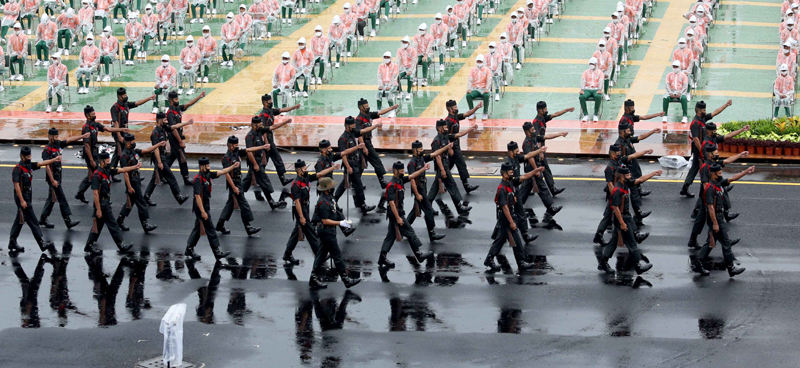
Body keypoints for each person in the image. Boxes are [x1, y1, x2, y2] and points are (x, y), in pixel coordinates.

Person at [693, 164, 755, 277]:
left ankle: (700, 263)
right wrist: (715, 223)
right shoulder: (710, 189)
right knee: (725, 242)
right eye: (719, 172)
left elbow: (733, 178)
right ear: (713, 174)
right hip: (715, 218)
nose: (721, 174)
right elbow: (710, 207)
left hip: (719, 217)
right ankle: (730, 268)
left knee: (711, 243)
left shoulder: (718, 183)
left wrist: (746, 171)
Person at [686, 143, 748, 250]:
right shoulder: (706, 168)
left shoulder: (715, 163)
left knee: (715, 220)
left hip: (714, 195)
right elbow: (705, 185)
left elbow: (727, 161)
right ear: (710, 155)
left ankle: (724, 240)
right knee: (703, 221)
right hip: (707, 198)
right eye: (716, 153)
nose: (718, 154)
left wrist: (740, 155)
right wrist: (711, 200)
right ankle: (695, 240)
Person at [484, 162, 542, 272]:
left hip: (509, 217)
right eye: (510, 172)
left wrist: (536, 170)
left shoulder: (511, 183)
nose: (512, 173)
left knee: (500, 241)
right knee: (517, 241)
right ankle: (521, 263)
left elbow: (524, 176)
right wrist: (511, 222)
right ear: (504, 174)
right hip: (506, 219)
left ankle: (489, 259)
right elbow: (504, 207)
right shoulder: (502, 189)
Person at [377, 161, 435, 270]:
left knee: (391, 236)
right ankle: (419, 255)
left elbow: (412, 176)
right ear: (396, 171)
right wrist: (398, 218)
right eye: (402, 171)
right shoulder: (392, 186)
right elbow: (392, 203)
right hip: (396, 214)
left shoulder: (400, 180)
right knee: (410, 232)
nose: (404, 173)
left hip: (398, 212)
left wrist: (424, 169)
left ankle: (382, 258)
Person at [282, 159, 340, 265]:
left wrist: (333, 168)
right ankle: (319, 253)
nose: (306, 170)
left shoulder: (306, 178)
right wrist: (301, 217)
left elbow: (320, 174)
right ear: (299, 171)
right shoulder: (296, 184)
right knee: (310, 232)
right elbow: (297, 202)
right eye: (305, 168)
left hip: (306, 207)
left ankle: (287, 254)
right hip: (300, 210)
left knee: (297, 232)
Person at [593, 144, 652, 246]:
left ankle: (635, 235)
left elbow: (632, 156)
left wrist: (645, 151)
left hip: (619, 193)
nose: (620, 154)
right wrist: (616, 197)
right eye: (618, 153)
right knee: (610, 217)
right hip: (615, 195)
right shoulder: (610, 168)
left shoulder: (619, 161)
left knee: (617, 216)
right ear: (612, 154)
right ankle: (600, 236)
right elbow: (610, 184)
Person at [308, 177, 362, 290]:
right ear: (327, 189)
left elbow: (336, 212)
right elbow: (325, 220)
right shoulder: (323, 202)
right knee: (336, 254)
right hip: (326, 230)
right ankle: (346, 280)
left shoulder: (329, 198)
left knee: (321, 255)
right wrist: (340, 223)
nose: (333, 188)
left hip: (329, 230)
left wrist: (344, 223)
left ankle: (313, 278)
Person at [84, 151, 140, 255]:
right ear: (102, 162)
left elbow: (122, 169)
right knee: (113, 225)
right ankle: (121, 245)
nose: (109, 162)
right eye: (107, 161)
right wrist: (99, 209)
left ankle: (88, 246)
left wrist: (135, 167)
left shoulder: (107, 171)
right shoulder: (97, 175)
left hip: (106, 202)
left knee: (97, 227)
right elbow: (95, 194)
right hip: (102, 204)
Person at [184, 157, 239, 261]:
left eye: (209, 165)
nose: (209, 168)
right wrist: (203, 212)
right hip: (200, 206)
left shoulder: (208, 175)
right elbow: (197, 197)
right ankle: (217, 252)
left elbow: (222, 172)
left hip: (206, 205)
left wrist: (233, 166)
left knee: (197, 229)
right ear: (201, 167)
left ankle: (189, 249)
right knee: (210, 228)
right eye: (207, 166)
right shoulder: (198, 179)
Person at [9, 146, 60, 254]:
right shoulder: (17, 169)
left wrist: (54, 159)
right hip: (22, 197)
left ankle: (12, 242)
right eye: (28, 156)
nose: (30, 158)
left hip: (28, 196)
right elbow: (17, 186)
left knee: (20, 220)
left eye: (30, 156)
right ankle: (41, 243)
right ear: (22, 157)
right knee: (33, 221)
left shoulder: (29, 166)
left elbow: (42, 163)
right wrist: (22, 201)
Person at [75, 106, 130, 204]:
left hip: (95, 153)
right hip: (90, 154)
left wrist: (121, 129)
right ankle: (102, 199)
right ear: (87, 116)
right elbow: (87, 145)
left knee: (92, 176)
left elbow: (108, 129)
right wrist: (91, 160)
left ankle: (80, 192)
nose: (95, 115)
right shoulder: (86, 128)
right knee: (98, 175)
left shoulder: (95, 125)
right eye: (93, 114)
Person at [215, 136, 267, 236]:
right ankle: (248, 227)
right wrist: (234, 187)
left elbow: (248, 150)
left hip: (238, 181)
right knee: (243, 204)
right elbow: (227, 174)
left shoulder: (237, 153)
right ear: (230, 146)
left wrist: (262, 147)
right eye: (235, 145)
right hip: (233, 183)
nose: (237, 147)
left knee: (230, 205)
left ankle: (220, 225)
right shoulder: (226, 158)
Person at [679, 99, 732, 197]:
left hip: (703, 149)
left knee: (694, 169)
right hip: (700, 149)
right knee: (712, 167)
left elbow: (715, 112)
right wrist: (703, 152)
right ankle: (721, 187)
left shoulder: (703, 119)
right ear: (699, 110)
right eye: (704, 110)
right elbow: (696, 139)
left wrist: (726, 105)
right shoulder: (695, 123)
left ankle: (685, 188)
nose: (705, 111)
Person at [116, 133, 164, 233]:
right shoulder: (124, 156)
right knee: (141, 203)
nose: (134, 143)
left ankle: (120, 220)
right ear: (128, 143)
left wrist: (158, 144)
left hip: (136, 179)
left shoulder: (133, 152)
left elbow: (146, 150)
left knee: (130, 202)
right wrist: (129, 186)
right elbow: (125, 172)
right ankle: (145, 225)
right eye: (133, 142)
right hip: (132, 181)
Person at [39, 128, 86, 230]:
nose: (57, 138)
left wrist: (82, 136)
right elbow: (47, 166)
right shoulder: (46, 151)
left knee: (52, 198)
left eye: (57, 137)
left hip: (58, 175)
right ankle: (68, 221)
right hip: (53, 177)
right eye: (55, 137)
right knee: (61, 198)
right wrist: (52, 180)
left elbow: (69, 140)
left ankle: (43, 218)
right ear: (50, 137)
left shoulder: (58, 145)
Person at [334, 116, 382, 214]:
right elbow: (343, 154)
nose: (354, 126)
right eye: (352, 125)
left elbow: (364, 131)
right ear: (347, 126)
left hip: (355, 163)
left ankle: (334, 200)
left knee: (345, 184)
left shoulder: (352, 134)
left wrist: (375, 126)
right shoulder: (343, 139)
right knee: (358, 185)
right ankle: (362, 205)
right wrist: (348, 167)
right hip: (350, 165)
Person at [616, 122, 660, 226]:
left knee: (634, 190)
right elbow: (629, 157)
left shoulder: (628, 140)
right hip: (623, 173)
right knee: (621, 199)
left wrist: (653, 131)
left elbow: (640, 137)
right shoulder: (619, 144)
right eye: (628, 131)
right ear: (622, 132)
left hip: (630, 170)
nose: (630, 132)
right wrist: (644, 152)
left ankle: (638, 213)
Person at [406, 140, 451, 242]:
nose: (422, 150)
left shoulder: (421, 158)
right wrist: (417, 194)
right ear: (415, 150)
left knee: (414, 212)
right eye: (420, 149)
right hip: (418, 189)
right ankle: (432, 233)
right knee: (429, 211)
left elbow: (435, 153)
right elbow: (412, 180)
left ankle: (404, 229)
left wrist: (447, 146)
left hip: (423, 187)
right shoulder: (412, 164)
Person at [519, 123, 564, 226]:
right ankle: (550, 208)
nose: (534, 130)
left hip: (535, 167)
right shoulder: (526, 143)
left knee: (525, 189)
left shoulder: (534, 138)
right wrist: (536, 170)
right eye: (532, 129)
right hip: (532, 168)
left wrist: (560, 134)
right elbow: (530, 157)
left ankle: (516, 207)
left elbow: (545, 137)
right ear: (527, 132)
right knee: (541, 187)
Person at [430, 119, 473, 224]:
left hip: (445, 164)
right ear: (440, 129)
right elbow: (437, 157)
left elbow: (452, 152)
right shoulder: (436, 141)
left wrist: (450, 148)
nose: (447, 128)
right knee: (452, 185)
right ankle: (459, 207)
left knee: (434, 189)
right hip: (442, 166)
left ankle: (427, 206)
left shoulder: (445, 137)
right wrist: (443, 170)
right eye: (445, 127)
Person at [504, 141, 548, 243]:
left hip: (515, 190)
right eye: (517, 151)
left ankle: (525, 235)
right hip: (510, 193)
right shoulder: (509, 165)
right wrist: (535, 170)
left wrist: (539, 150)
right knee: (506, 217)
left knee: (521, 213)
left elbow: (528, 155)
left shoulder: (515, 159)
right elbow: (522, 177)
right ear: (511, 152)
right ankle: (499, 236)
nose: (519, 152)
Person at [241, 116, 288, 209]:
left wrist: (285, 122)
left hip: (258, 160)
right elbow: (249, 152)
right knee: (264, 180)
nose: (262, 126)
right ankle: (272, 203)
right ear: (254, 125)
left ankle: (237, 195)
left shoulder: (259, 131)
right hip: (254, 161)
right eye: (260, 124)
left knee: (248, 181)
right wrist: (255, 164)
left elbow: (272, 127)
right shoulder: (250, 137)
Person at [144, 112, 190, 205]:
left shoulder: (163, 128)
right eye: (164, 120)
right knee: (170, 177)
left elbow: (174, 127)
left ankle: (146, 195)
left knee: (156, 178)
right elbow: (155, 148)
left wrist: (187, 123)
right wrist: (160, 162)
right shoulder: (155, 133)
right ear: (160, 120)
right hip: (159, 157)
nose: (166, 121)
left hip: (162, 156)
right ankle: (179, 197)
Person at [109, 88, 155, 179]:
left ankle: (113, 173)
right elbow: (116, 123)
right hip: (118, 132)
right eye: (124, 95)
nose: (126, 96)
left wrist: (149, 98)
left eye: (126, 95)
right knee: (121, 153)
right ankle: (121, 173)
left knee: (121, 153)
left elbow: (137, 103)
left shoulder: (126, 104)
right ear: (119, 96)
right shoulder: (115, 108)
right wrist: (119, 136)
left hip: (125, 132)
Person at [530, 101, 574, 196]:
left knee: (541, 169)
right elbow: (538, 138)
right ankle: (526, 190)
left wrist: (567, 110)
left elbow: (555, 114)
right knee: (537, 170)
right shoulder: (536, 122)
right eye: (544, 109)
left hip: (540, 148)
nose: (546, 110)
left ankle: (552, 189)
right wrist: (540, 151)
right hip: (537, 149)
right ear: (539, 110)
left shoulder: (543, 118)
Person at [256, 94, 299, 188]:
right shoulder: (263, 115)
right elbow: (263, 130)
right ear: (264, 103)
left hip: (270, 138)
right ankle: (258, 178)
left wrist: (294, 107)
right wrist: (266, 143)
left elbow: (283, 110)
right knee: (266, 160)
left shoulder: (271, 111)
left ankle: (281, 178)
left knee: (274, 159)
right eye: (269, 101)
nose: (271, 102)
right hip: (266, 140)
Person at [355, 98, 397, 191]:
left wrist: (392, 108)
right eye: (366, 107)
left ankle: (356, 183)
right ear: (361, 108)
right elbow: (359, 134)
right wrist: (364, 147)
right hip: (364, 144)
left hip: (368, 142)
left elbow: (380, 113)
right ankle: (382, 182)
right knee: (376, 162)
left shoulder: (368, 115)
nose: (368, 108)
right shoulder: (359, 119)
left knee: (361, 166)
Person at [166, 90, 206, 185]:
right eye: (176, 99)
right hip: (174, 138)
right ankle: (186, 178)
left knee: (172, 157)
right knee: (182, 158)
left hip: (178, 136)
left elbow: (187, 104)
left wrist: (199, 97)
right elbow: (173, 129)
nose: (178, 100)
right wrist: (180, 141)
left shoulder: (177, 109)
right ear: (171, 101)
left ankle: (162, 173)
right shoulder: (170, 113)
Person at [444, 99, 481, 193]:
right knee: (461, 164)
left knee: (448, 166)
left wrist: (476, 107)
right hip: (452, 145)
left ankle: (440, 182)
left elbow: (467, 114)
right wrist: (449, 148)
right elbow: (446, 136)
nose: (457, 108)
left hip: (456, 144)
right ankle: (466, 186)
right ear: (450, 109)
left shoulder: (455, 117)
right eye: (455, 107)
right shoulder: (448, 121)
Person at [466, 54, 491, 119]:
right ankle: (472, 112)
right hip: (475, 89)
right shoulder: (473, 69)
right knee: (468, 95)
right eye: (478, 61)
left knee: (487, 95)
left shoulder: (487, 70)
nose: (479, 63)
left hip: (483, 89)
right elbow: (470, 79)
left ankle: (485, 112)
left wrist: (487, 88)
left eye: (480, 62)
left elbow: (489, 80)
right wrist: (469, 88)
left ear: (483, 62)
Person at [579, 57, 604, 122]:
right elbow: (583, 80)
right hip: (587, 89)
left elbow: (601, 81)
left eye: (592, 64)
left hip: (596, 89)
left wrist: (600, 89)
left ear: (596, 64)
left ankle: (595, 114)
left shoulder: (600, 72)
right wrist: (582, 89)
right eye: (590, 64)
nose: (591, 65)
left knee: (598, 96)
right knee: (581, 97)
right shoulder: (586, 72)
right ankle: (585, 115)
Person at [397, 36, 417, 101]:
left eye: (405, 42)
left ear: (408, 43)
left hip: (411, 68)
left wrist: (411, 70)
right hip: (403, 68)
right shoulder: (400, 50)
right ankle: (400, 92)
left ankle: (408, 93)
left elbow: (414, 61)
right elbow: (398, 60)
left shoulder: (413, 50)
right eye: (403, 42)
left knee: (409, 77)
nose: (404, 43)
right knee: (397, 77)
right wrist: (396, 69)